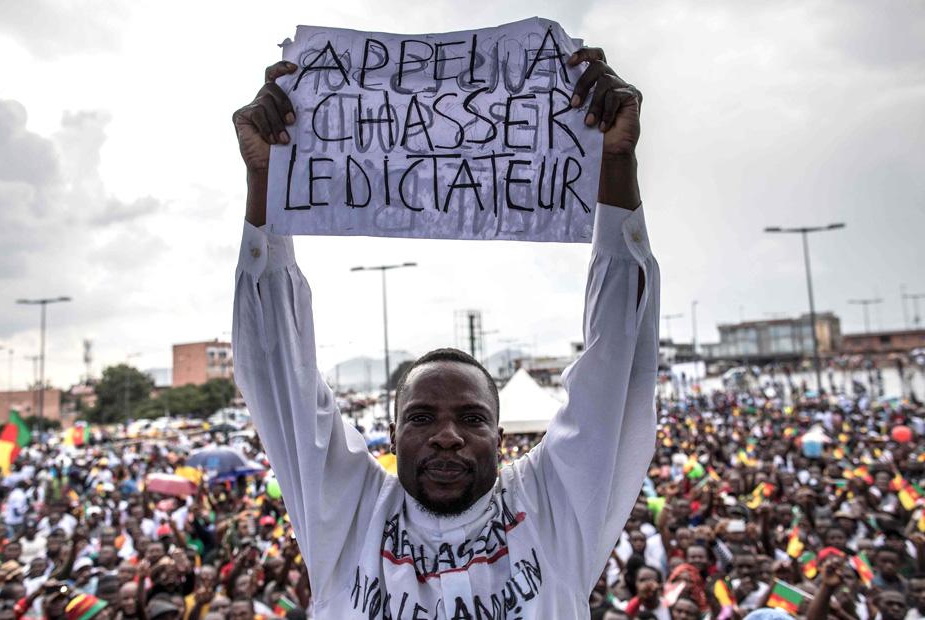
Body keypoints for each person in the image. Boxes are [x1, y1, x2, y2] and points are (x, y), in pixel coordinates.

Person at [231, 44, 658, 618]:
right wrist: (267, 178)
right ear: (391, 436)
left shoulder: (552, 511)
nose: (447, 436)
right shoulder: (349, 515)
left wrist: (613, 163)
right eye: (422, 417)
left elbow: (619, 364)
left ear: (503, 439)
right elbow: (276, 366)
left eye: (472, 418)